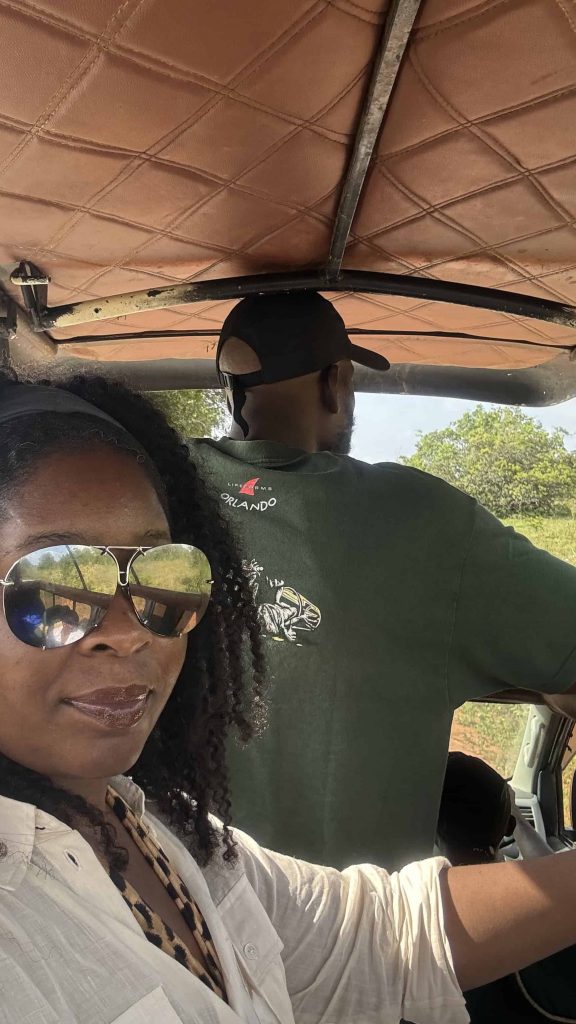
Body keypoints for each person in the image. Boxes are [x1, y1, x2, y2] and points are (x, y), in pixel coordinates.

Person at [0, 368, 576, 1024]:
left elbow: (376, 937)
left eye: (163, 578)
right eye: (54, 585)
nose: (130, 632)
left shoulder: (163, 832)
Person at [188, 292, 576, 870]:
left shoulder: (151, 485)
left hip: (159, 921)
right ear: (336, 383)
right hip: (356, 939)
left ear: (232, 393)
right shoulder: (423, 520)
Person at [436, 752, 576, 1023]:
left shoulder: (408, 927)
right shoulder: (545, 930)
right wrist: (517, 823)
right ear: (502, 831)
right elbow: (558, 892)